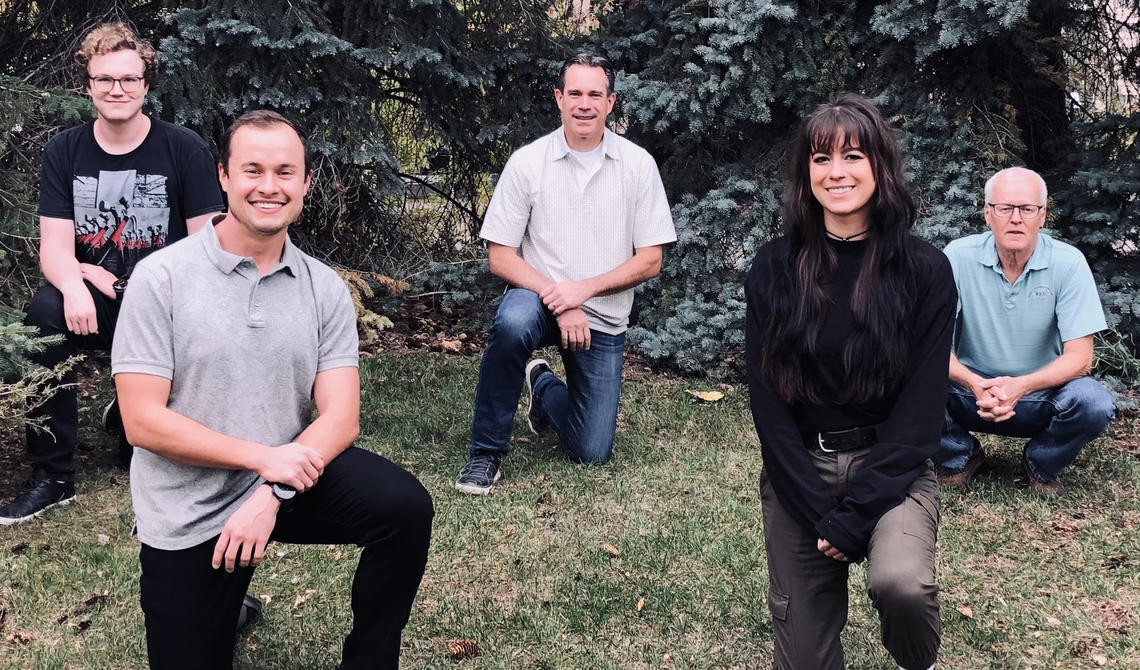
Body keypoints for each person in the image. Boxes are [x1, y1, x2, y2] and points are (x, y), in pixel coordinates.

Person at [111, 110, 433, 669]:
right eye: (252, 169)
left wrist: (271, 490)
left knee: (403, 508)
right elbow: (142, 421)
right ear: (224, 177)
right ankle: (224, 603)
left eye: (285, 172)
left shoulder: (323, 287)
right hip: (190, 504)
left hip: (288, 482)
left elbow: (341, 417)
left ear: (306, 183)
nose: (269, 186)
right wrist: (264, 460)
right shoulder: (162, 278)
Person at [745, 93, 955, 670]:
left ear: (879, 166)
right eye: (820, 159)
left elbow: (922, 408)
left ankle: (921, 661)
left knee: (901, 586)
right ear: (804, 173)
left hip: (893, 466)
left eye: (853, 156)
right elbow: (766, 402)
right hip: (800, 474)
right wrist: (818, 511)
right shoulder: (772, 268)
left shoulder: (925, 269)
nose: (836, 172)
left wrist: (859, 513)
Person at [0, 22, 223, 525]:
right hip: (97, 298)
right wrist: (77, 281)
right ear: (89, 86)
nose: (116, 90)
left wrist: (137, 286)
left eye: (128, 79)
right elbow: (54, 247)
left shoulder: (183, 148)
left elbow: (206, 248)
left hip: (169, 298)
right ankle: (53, 477)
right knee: (43, 313)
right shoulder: (64, 150)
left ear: (146, 85)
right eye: (105, 80)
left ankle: (132, 418)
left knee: (208, 324)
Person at [455, 54, 676, 495]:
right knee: (513, 321)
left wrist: (583, 292)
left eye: (595, 94)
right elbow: (500, 256)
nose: (584, 103)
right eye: (575, 93)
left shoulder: (637, 166)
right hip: (537, 299)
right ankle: (486, 454)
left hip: (603, 315)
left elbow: (651, 258)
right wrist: (560, 298)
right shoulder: (528, 162)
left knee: (591, 450)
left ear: (610, 103)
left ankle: (542, 387)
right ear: (559, 98)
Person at [936, 167, 1115, 493]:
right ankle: (958, 456)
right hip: (969, 392)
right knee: (902, 378)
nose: (1015, 218)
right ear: (988, 214)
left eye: (1027, 209)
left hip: (1040, 395)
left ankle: (1040, 463)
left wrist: (1021, 386)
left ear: (1042, 216)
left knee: (1093, 402)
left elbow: (1080, 359)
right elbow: (932, 347)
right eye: (1005, 208)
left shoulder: (1069, 263)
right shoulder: (957, 257)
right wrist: (975, 383)